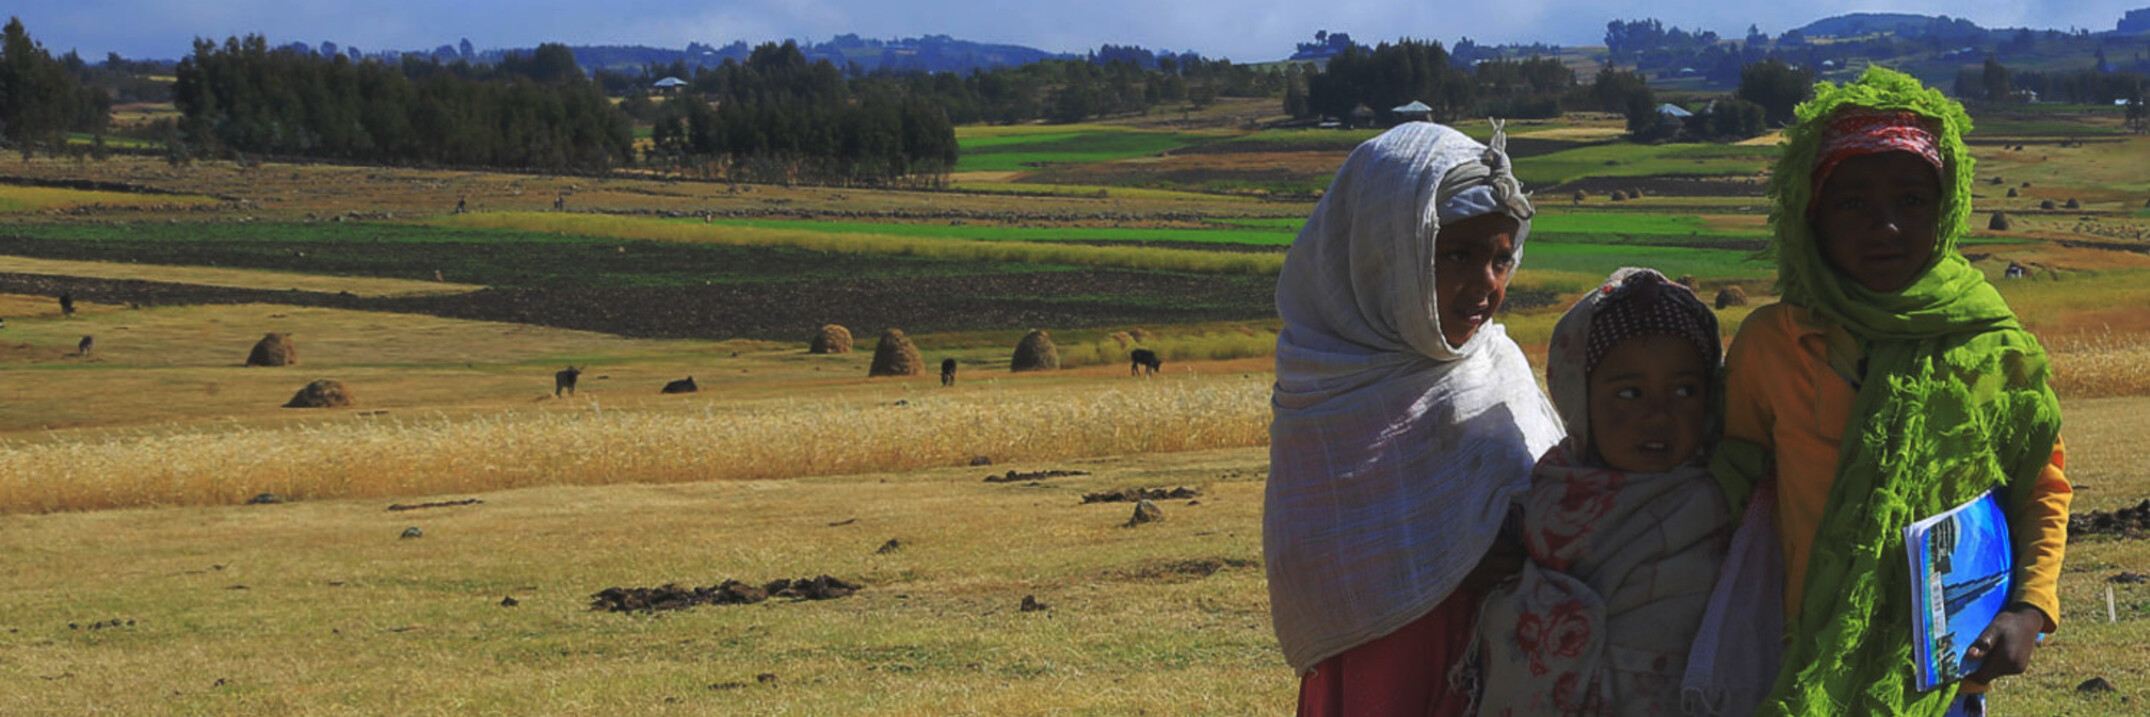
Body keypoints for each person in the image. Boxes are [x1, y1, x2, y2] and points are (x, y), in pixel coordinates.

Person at [1713, 67, 2070, 716]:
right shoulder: (1772, 344)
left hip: (1944, 683)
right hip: (1800, 666)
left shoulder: (1991, 346)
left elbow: (2040, 485)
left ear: (1947, 206)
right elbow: (1728, 488)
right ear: (1811, 213)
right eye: (1853, 203)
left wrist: (2030, 606)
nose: (1887, 226)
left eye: (1912, 200)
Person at [1267, 121, 1564, 716]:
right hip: (1383, 671)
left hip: (1510, 668)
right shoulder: (1324, 385)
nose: (1486, 284)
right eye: (1457, 253)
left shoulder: (1497, 368)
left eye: (1502, 259)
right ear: (1385, 253)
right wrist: (1450, 563)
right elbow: (1309, 559)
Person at [1469, 268, 1733, 716]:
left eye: (1685, 390)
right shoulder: (1540, 499)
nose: (1658, 415)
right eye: (1629, 393)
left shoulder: (1723, 504)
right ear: (1577, 395)